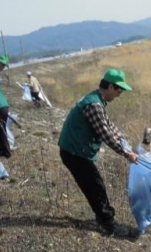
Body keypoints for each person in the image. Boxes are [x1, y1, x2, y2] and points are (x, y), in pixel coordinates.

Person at [57, 69, 138, 237]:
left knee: (93, 185)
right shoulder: (94, 105)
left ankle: (103, 218)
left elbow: (109, 126)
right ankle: (107, 223)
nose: (120, 94)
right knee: (96, 186)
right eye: (119, 90)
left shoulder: (97, 100)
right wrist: (125, 153)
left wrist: (125, 141)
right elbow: (105, 133)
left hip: (75, 150)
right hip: (74, 152)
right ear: (109, 87)